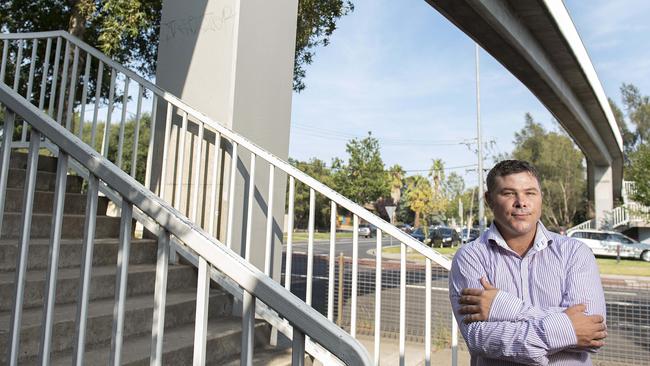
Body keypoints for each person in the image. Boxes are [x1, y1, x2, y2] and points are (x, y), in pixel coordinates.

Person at [449, 160, 607, 365]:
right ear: (489, 200)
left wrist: (505, 307)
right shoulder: (469, 257)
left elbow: (592, 333)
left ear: (541, 197)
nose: (521, 202)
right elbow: (479, 338)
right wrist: (567, 329)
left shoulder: (575, 253)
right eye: (508, 193)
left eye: (530, 193)